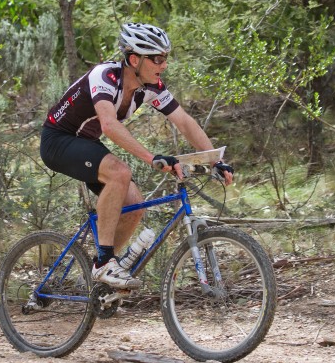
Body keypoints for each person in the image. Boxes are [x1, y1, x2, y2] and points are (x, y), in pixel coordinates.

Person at [40, 23, 234, 289]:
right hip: (58, 140)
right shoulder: (105, 76)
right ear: (134, 59)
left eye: (165, 58)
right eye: (157, 58)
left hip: (85, 143)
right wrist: (152, 156)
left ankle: (103, 271)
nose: (163, 64)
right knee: (120, 173)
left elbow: (184, 122)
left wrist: (215, 159)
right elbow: (109, 125)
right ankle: (104, 264)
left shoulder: (150, 87)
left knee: (135, 204)